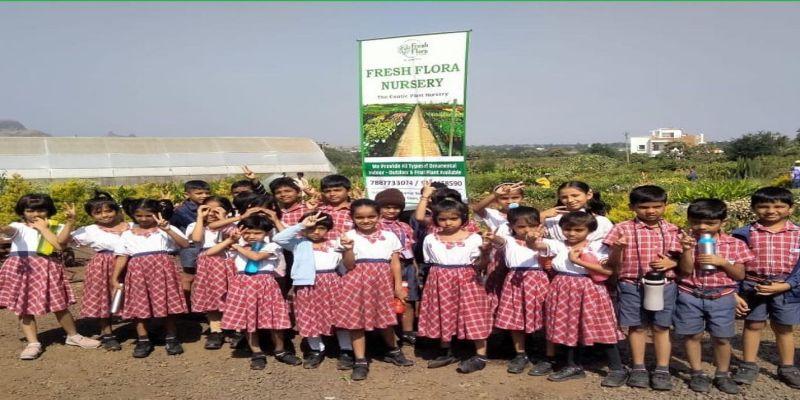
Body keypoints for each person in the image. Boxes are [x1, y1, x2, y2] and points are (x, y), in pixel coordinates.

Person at [0, 194, 101, 360]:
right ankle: (33, 343)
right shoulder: (18, 227)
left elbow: (59, 245)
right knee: (24, 307)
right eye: (30, 210)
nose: (35, 214)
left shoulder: (57, 226)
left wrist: (69, 222)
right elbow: (8, 230)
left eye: (41, 210)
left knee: (59, 304)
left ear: (49, 210)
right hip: (22, 269)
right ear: (22, 212)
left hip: (47, 268)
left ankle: (73, 336)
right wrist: (3, 228)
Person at [603, 185, 682, 390]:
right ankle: (639, 367)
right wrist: (618, 249)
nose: (651, 211)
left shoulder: (673, 230)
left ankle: (662, 369)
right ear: (632, 207)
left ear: (665, 205)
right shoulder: (622, 229)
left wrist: (672, 262)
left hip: (664, 285)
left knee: (661, 327)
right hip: (631, 284)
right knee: (636, 326)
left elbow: (681, 258)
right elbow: (612, 262)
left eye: (657, 206)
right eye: (644, 207)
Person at [537, 212, 627, 387]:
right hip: (562, 288)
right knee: (568, 327)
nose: (571, 233)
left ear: (589, 230)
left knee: (602, 327)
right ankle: (572, 366)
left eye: (578, 230)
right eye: (567, 229)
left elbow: (608, 271)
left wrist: (577, 261)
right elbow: (537, 245)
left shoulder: (597, 247)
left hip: (589, 290)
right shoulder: (558, 245)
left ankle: (617, 369)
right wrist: (532, 238)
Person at [676, 198, 753, 394]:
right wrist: (686, 250)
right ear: (689, 220)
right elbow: (685, 271)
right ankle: (696, 372)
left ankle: (722, 374)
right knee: (692, 335)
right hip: (690, 294)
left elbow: (739, 275)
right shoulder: (685, 241)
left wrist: (723, 262)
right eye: (696, 222)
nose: (702, 227)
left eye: (710, 223)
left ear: (723, 222)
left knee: (722, 337)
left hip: (722, 297)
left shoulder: (735, 244)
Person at [333, 199, 414, 381]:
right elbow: (349, 265)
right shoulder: (348, 236)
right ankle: (360, 361)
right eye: (360, 217)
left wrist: (397, 286)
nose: (366, 220)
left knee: (385, 319)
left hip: (382, 282)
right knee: (357, 322)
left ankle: (393, 350)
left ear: (379, 216)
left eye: (371, 216)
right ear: (352, 218)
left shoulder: (389, 236)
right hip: (355, 282)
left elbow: (395, 263)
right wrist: (348, 249)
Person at [210, 215, 302, 370]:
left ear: (266, 233)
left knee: (275, 320)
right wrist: (230, 241)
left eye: (257, 233)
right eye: (247, 232)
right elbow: (210, 252)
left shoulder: (272, 246)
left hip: (266, 285)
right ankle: (257, 352)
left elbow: (257, 257)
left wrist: (238, 247)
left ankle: (280, 350)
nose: (251, 236)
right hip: (243, 286)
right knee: (248, 322)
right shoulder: (236, 245)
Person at [730, 187, 800, 389]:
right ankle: (748, 365)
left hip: (786, 287)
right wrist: (734, 292)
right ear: (753, 208)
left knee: (784, 328)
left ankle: (788, 367)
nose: (771, 211)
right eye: (764, 206)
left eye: (779, 206)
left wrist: (787, 284)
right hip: (752, 286)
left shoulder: (797, 234)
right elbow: (734, 264)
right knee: (753, 324)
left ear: (791, 208)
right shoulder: (743, 234)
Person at [417, 199, 494, 373]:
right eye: (443, 219)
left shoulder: (474, 238)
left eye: (453, 218)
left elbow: (481, 265)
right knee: (443, 311)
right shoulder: (431, 238)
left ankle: (481, 355)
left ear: (463, 218)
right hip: (439, 278)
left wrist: (485, 252)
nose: (448, 223)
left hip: (467, 279)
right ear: (436, 219)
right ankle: (447, 350)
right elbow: (429, 260)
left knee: (473, 313)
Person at [111, 198, 190, 358]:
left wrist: (168, 229)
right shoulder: (127, 234)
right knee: (139, 306)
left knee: (167, 304)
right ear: (133, 215)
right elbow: (122, 256)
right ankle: (143, 339)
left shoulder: (165, 229)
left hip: (163, 271)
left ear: (157, 214)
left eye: (148, 215)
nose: (144, 219)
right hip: (138, 273)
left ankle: (171, 337)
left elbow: (185, 244)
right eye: (139, 215)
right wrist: (115, 278)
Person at [273, 211, 352, 369]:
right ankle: (316, 350)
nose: (316, 232)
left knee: (339, 316)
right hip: (306, 285)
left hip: (332, 283)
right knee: (309, 316)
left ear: (328, 229)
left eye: (321, 228)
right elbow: (278, 238)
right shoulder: (298, 243)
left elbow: (345, 265)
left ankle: (346, 350)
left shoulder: (335, 243)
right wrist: (301, 225)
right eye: (311, 228)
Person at [485, 206, 550, 374]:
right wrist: (493, 237)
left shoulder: (545, 241)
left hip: (538, 281)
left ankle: (546, 355)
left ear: (539, 225)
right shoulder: (509, 241)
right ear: (511, 226)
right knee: (516, 318)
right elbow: (500, 241)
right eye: (521, 226)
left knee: (542, 317)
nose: (527, 230)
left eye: (532, 225)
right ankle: (520, 354)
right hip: (514, 281)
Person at [69, 191, 131, 351]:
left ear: (116, 210)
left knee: (135, 295)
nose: (104, 215)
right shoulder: (89, 230)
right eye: (98, 212)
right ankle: (108, 334)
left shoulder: (131, 227)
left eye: (108, 211)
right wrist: (70, 222)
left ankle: (143, 331)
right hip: (103, 265)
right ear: (91, 215)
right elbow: (64, 241)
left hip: (131, 264)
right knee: (105, 298)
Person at [186, 196, 237, 350]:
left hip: (229, 262)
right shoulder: (195, 225)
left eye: (216, 210)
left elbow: (233, 238)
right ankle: (216, 330)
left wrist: (224, 219)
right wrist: (199, 217)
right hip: (207, 264)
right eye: (207, 209)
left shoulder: (231, 225)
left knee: (231, 295)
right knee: (212, 296)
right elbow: (196, 238)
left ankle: (234, 328)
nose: (211, 213)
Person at [375, 188, 419, 345]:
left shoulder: (404, 226)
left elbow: (409, 247)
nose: (391, 211)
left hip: (406, 265)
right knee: (387, 299)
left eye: (396, 208)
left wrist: (414, 265)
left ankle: (407, 331)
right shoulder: (376, 226)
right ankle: (387, 332)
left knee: (409, 298)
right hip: (387, 266)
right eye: (387, 207)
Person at [170, 180, 211, 303]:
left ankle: (201, 303)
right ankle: (187, 305)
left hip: (207, 245)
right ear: (187, 194)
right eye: (199, 193)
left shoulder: (210, 206)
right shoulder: (181, 211)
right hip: (190, 248)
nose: (204, 196)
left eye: (206, 193)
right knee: (188, 276)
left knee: (204, 276)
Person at [540, 181, 613, 242]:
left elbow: (611, 245)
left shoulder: (602, 221)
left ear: (589, 195)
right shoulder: (552, 220)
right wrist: (541, 216)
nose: (570, 200)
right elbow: (538, 241)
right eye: (564, 197)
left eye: (575, 196)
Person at [317, 174, 354, 240]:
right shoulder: (319, 211)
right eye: (327, 191)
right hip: (322, 246)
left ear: (348, 191)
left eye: (337, 190)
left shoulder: (355, 210)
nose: (332, 194)